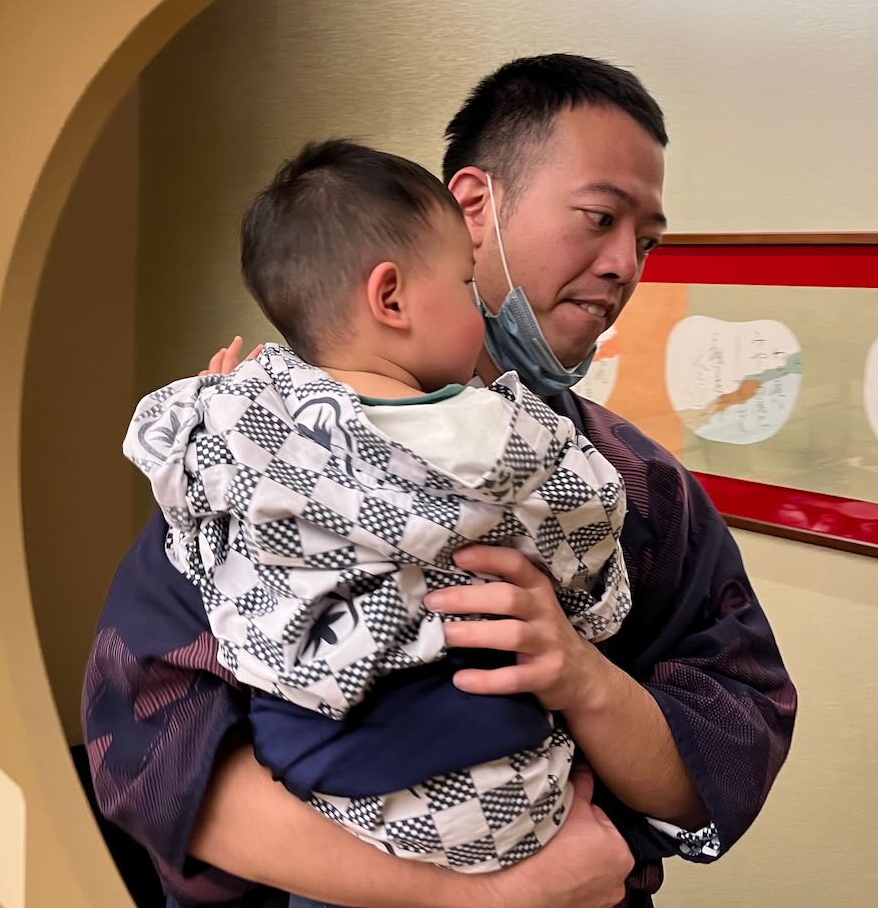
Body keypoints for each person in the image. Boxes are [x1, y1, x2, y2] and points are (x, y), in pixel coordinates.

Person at [84, 54, 798, 908]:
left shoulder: (634, 485)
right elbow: (150, 747)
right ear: (474, 209)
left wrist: (579, 674)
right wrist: (476, 899)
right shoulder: (270, 452)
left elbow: (728, 751)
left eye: (644, 241)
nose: (623, 266)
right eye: (599, 218)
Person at [121, 139, 633, 876]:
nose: (479, 304)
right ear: (390, 297)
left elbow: (183, 496)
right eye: (464, 284)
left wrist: (222, 406)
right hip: (484, 775)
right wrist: (590, 609)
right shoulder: (501, 431)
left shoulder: (242, 421)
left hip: (319, 772)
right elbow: (588, 532)